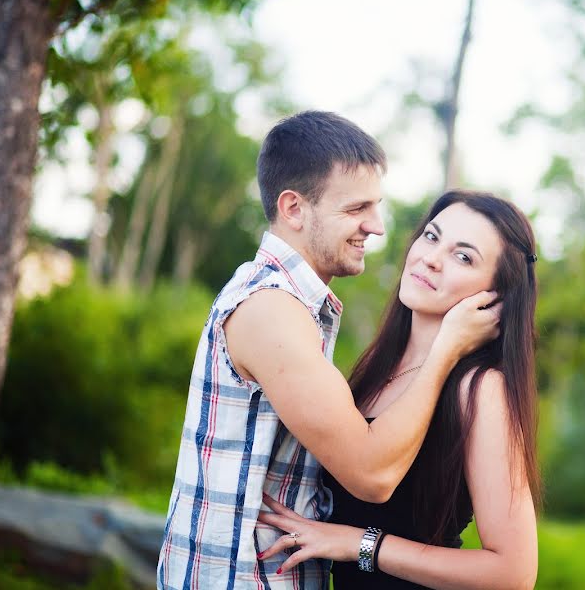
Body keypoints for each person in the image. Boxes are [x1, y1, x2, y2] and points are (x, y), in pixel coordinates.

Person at [156, 113, 501, 590]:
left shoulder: (301, 308)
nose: (376, 226)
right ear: (294, 209)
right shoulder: (270, 308)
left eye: (376, 206)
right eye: (357, 208)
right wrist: (447, 349)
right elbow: (371, 473)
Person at [256, 190, 541, 590]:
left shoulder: (479, 389)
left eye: (463, 257)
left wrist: (360, 544)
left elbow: (514, 573)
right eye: (431, 236)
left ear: (494, 295)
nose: (431, 258)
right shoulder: (377, 368)